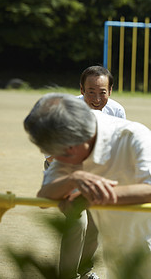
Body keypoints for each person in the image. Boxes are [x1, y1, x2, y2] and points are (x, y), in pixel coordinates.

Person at [26, 93, 151, 279]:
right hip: (125, 264)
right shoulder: (69, 148)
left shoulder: (134, 135)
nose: (58, 161)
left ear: (75, 140)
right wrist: (73, 179)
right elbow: (44, 198)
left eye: (60, 153)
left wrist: (90, 196)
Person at [44, 66, 126, 279]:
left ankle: (85, 270)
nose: (97, 98)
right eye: (91, 92)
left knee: (97, 221)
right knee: (77, 221)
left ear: (111, 91)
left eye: (102, 92)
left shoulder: (117, 111)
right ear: (81, 89)